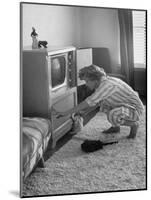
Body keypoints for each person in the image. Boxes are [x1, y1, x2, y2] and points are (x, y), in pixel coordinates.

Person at [53, 64, 144, 139]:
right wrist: (84, 113)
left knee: (113, 115)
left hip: (135, 109)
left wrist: (66, 112)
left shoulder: (107, 85)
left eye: (87, 81)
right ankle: (115, 128)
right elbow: (96, 103)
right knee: (104, 104)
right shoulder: (103, 83)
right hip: (124, 105)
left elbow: (88, 101)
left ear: (95, 79)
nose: (86, 84)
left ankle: (134, 124)